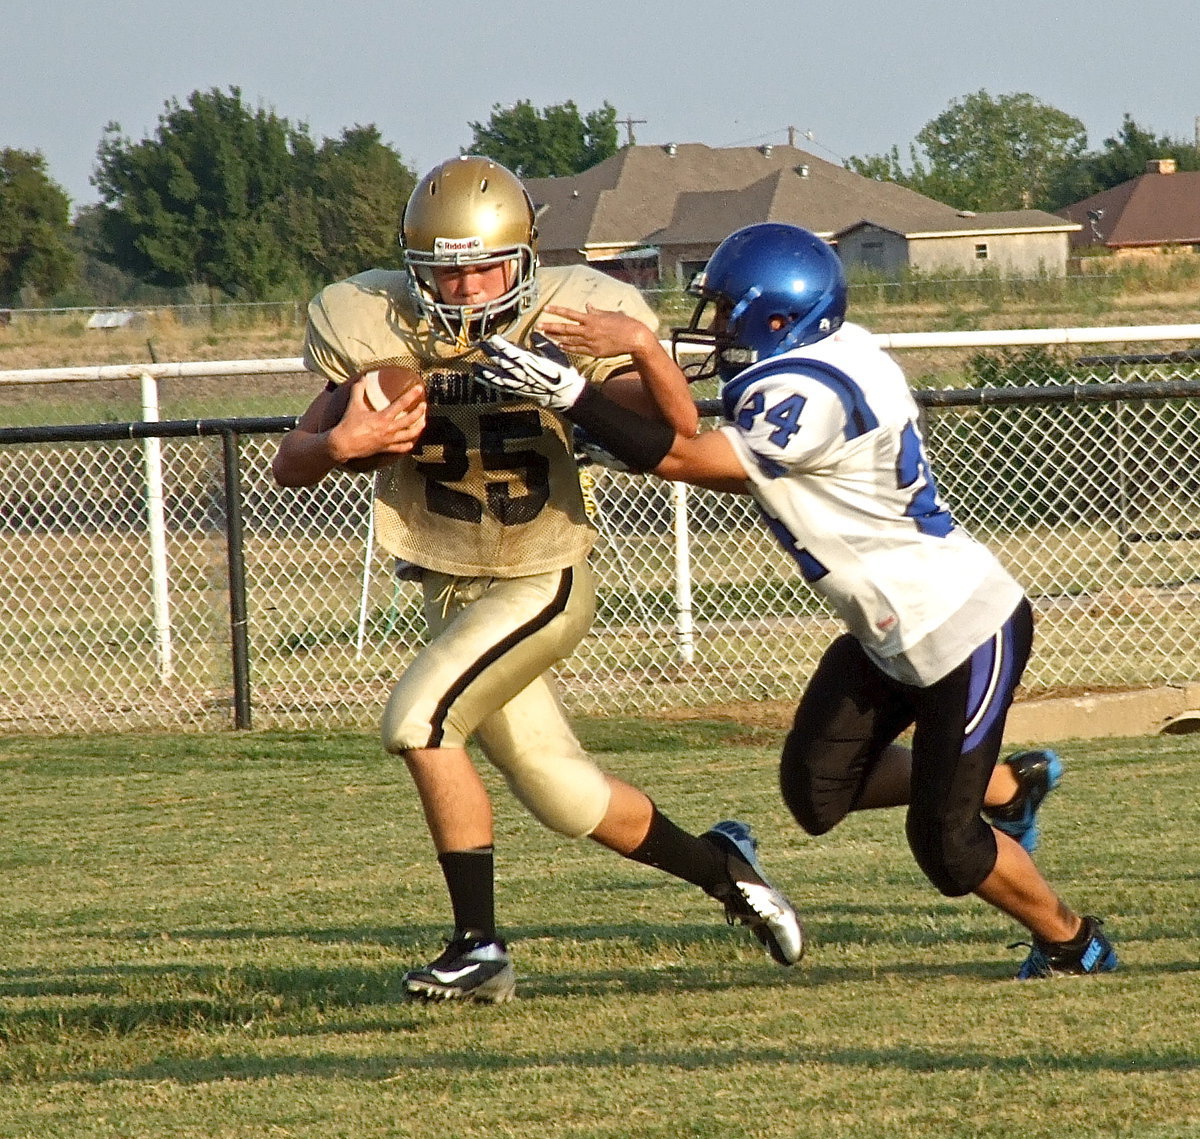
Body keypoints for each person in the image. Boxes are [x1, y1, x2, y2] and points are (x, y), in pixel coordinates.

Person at [476, 220, 1117, 980]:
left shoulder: (804, 390)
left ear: (776, 317)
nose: (713, 326)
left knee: (948, 847)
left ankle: (1074, 943)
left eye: (725, 310)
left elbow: (688, 456)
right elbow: (683, 415)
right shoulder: (831, 349)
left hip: (960, 627)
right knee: (815, 795)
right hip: (885, 630)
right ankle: (1010, 784)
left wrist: (576, 392)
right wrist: (614, 369)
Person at [271, 158, 805, 1003]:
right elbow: (291, 464)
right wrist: (340, 446)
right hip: (449, 584)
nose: (469, 284)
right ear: (415, 269)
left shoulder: (569, 315)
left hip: (542, 575)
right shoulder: (374, 323)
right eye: (448, 268)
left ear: (523, 257)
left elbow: (672, 430)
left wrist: (639, 348)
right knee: (564, 794)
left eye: (485, 264)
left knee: (419, 722)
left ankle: (478, 949)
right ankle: (725, 869)